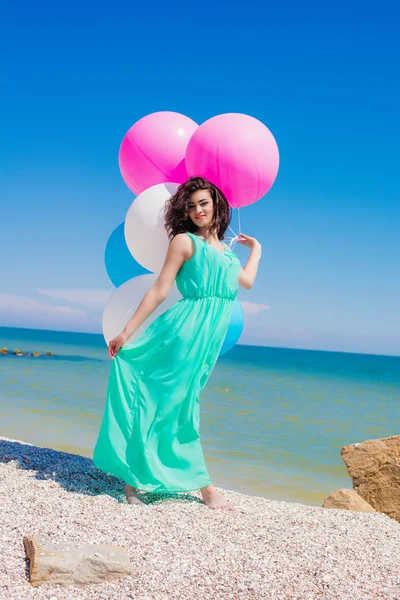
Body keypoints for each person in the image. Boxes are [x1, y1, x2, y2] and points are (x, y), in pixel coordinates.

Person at [93, 176, 262, 510]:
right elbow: (159, 289)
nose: (198, 210)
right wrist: (126, 332)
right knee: (171, 404)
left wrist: (256, 249)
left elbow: (248, 281)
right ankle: (199, 488)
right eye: (192, 205)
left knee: (180, 405)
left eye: (204, 203)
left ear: (217, 205)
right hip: (181, 333)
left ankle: (143, 480)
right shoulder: (185, 243)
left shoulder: (228, 258)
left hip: (207, 341)